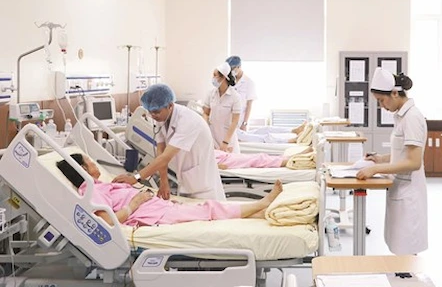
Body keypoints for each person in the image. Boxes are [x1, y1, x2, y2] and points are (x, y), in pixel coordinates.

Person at [57, 153, 282, 227]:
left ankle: (263, 214)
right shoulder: (89, 190)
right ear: (83, 169)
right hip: (151, 215)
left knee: (206, 209)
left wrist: (132, 190)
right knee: (207, 209)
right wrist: (136, 202)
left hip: (155, 207)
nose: (95, 164)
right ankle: (262, 205)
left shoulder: (99, 185)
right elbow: (108, 222)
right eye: (90, 161)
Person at [356, 68, 428, 255]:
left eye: (382, 100)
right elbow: (403, 152)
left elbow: (414, 162)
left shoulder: (412, 117)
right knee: (399, 246)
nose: (382, 106)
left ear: (395, 93)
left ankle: (407, 279)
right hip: (399, 188)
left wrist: (377, 169)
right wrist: (380, 159)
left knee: (406, 249)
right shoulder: (402, 116)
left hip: (409, 192)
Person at [113, 83, 225, 201]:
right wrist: (163, 181)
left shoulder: (187, 121)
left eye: (156, 112)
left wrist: (135, 178)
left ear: (170, 105)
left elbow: (165, 157)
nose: (153, 116)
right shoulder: (163, 118)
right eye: (150, 112)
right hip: (187, 181)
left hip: (204, 187)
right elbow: (160, 151)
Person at [203, 62, 242, 154]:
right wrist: (205, 127)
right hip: (213, 137)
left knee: (229, 165)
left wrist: (226, 142)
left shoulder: (235, 96)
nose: (212, 78)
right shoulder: (211, 93)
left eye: (215, 75)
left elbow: (235, 121)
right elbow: (205, 113)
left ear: (223, 77)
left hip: (228, 139)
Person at [226, 56, 257, 131]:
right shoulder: (228, 81)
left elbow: (249, 105)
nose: (231, 71)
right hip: (227, 119)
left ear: (239, 67)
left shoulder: (249, 82)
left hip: (240, 120)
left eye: (233, 68)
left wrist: (244, 123)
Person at [236, 121, 308, 143]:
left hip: (235, 131)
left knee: (265, 129)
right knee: (264, 138)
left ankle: (294, 130)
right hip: (232, 136)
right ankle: (288, 141)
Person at [215, 149, 289, 170]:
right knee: (257, 159)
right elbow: (222, 166)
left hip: (229, 156)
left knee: (258, 157)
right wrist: (217, 166)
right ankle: (286, 161)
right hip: (229, 161)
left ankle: (285, 158)